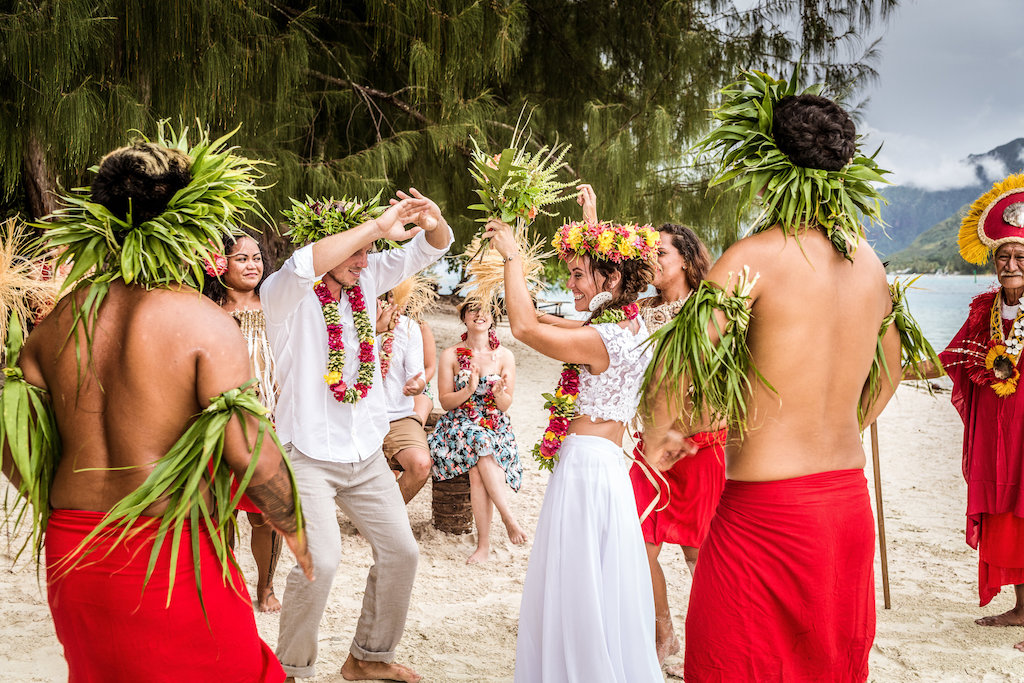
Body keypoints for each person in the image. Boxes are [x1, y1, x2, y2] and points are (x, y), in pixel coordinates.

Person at [641, 77, 922, 682]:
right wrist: (845, 420)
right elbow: (892, 372)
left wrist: (662, 433)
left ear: (766, 166)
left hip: (766, 513)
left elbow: (675, 362)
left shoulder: (754, 256)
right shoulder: (871, 265)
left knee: (729, 666)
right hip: (846, 504)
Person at [1, 136, 311, 682]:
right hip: (168, 556)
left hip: (75, 551)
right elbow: (254, 460)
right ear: (190, 218)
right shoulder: (204, 324)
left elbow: (12, 447)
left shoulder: (52, 328)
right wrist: (297, 536)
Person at [265, 189, 452, 683]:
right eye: (354, 250)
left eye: (368, 252)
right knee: (320, 563)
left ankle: (369, 656)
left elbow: (431, 247)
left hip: (366, 450)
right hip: (306, 453)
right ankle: (293, 671)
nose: (364, 260)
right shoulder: (284, 292)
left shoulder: (365, 278)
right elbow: (305, 263)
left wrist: (431, 220)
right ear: (328, 244)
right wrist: (374, 228)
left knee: (402, 553)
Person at [483, 215, 664, 681]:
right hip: (605, 468)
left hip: (586, 469)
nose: (571, 283)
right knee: (601, 585)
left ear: (612, 278)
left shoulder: (600, 339)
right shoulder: (629, 323)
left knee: (577, 584)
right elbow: (564, 320)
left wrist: (512, 256)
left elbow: (523, 328)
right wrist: (592, 223)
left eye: (579, 274)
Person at [925, 174, 1024, 651]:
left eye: (1020, 256)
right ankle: (1023, 607)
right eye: (1003, 255)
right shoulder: (984, 308)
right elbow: (952, 358)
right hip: (995, 430)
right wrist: (881, 368)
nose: (1010, 263)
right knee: (1007, 512)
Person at [631, 222, 725, 669]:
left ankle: (713, 639)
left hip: (699, 448)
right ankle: (663, 631)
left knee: (697, 552)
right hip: (649, 450)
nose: (652, 259)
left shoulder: (711, 312)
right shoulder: (639, 310)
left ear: (686, 260)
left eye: (661, 253)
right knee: (637, 545)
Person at [204, 233, 284, 612]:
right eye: (241, 258)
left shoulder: (275, 306)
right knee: (222, 511)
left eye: (257, 257)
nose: (253, 265)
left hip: (271, 423)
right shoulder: (205, 310)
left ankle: (266, 588)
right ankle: (227, 583)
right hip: (218, 425)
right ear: (220, 264)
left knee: (266, 514)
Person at [429, 301, 525, 564]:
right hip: (459, 425)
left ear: (493, 319)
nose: (479, 314)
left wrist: (499, 394)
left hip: (494, 425)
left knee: (478, 467)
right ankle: (507, 518)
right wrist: (469, 389)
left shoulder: (505, 357)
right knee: (481, 443)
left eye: (485, 310)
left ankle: (483, 545)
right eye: (472, 309)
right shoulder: (450, 355)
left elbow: (506, 406)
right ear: (463, 318)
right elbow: (446, 402)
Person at [375, 287, 431, 503]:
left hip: (398, 416)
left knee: (421, 464)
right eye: (390, 297)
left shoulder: (410, 328)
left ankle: (386, 517)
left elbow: (416, 374)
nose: (395, 304)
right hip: (361, 415)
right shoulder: (359, 322)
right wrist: (376, 329)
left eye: (401, 299)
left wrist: (416, 386)